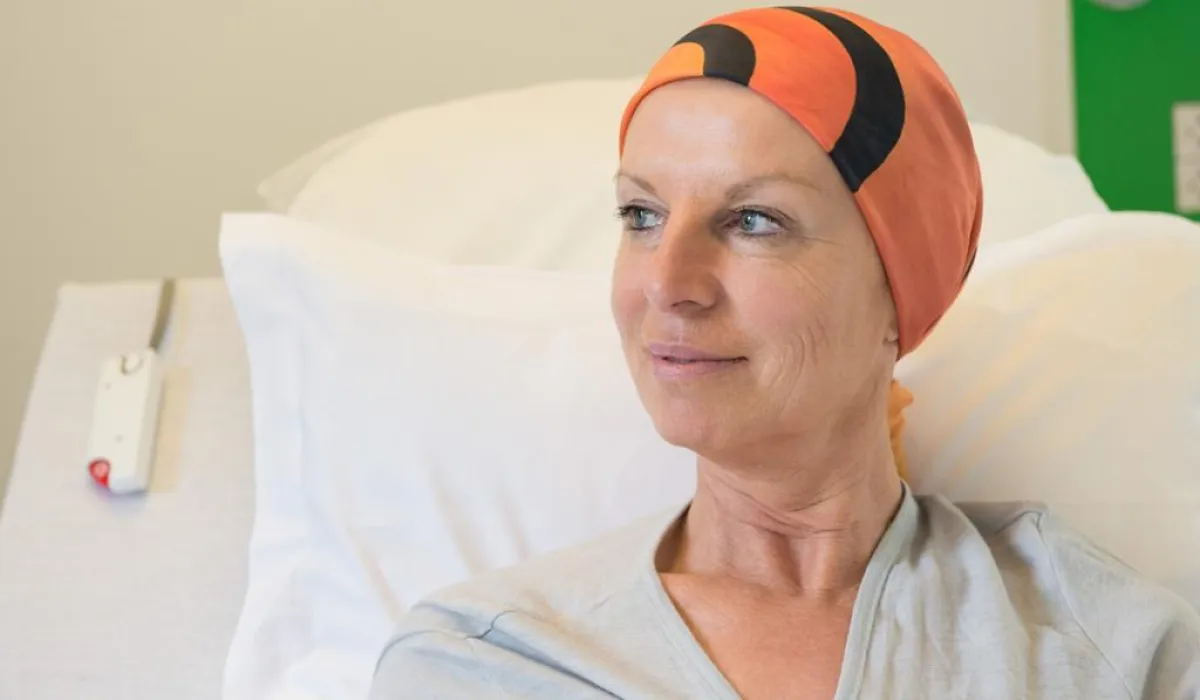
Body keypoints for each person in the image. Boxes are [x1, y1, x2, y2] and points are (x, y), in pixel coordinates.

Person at [370, 7, 1200, 699]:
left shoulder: (1101, 649)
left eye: (753, 221)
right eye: (641, 216)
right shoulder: (489, 663)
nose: (667, 284)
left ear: (899, 288)